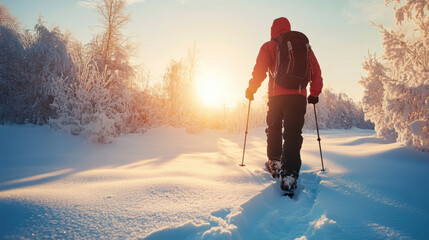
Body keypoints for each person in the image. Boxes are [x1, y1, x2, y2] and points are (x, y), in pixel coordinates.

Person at [245, 17, 323, 192]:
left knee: (274, 127)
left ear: (272, 30)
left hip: (276, 97)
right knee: (293, 133)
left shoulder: (268, 47)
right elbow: (316, 71)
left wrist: (251, 89)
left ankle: (275, 161)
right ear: (289, 29)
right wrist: (314, 93)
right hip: (297, 96)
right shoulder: (304, 47)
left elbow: (259, 70)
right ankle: (289, 174)